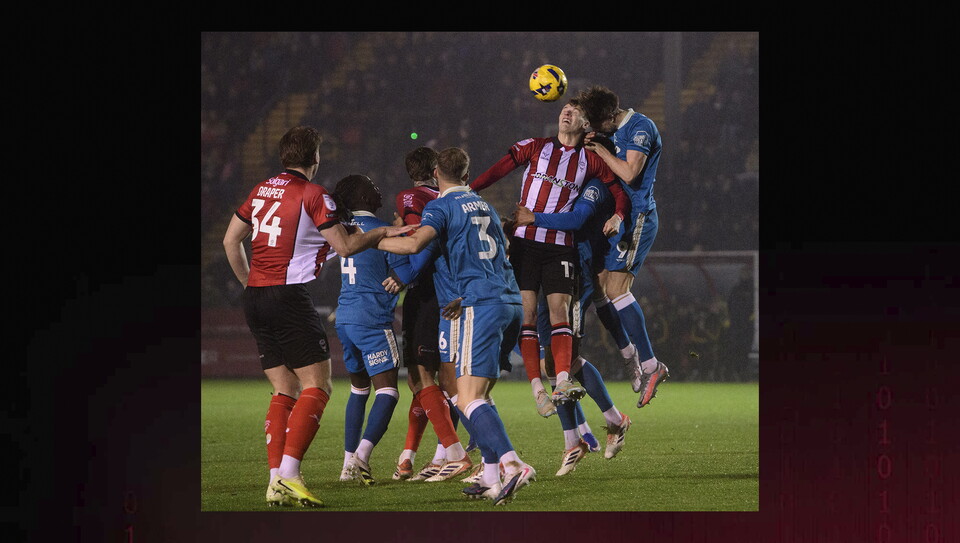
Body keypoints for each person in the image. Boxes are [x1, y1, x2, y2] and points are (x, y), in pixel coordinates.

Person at [221, 125, 411, 507]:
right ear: (315, 158)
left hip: (255, 296)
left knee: (284, 389)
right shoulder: (313, 194)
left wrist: (248, 283)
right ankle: (290, 475)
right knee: (318, 386)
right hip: (288, 296)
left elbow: (230, 240)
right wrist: (381, 233)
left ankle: (275, 480)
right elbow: (346, 245)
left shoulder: (260, 190)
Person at [378, 147, 535, 506]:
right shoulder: (485, 205)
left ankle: (513, 464)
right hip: (510, 301)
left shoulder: (441, 206)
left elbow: (415, 244)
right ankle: (491, 475)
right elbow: (503, 247)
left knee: (467, 397)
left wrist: (374, 239)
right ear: (466, 174)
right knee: (480, 394)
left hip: (481, 305)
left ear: (436, 173)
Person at [470, 99, 630, 415]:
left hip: (560, 246)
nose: (566, 112)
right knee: (527, 315)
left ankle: (562, 381)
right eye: (564, 109)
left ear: (586, 124)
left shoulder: (590, 160)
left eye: (575, 111)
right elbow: (499, 169)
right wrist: (468, 190)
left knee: (560, 312)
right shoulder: (535, 147)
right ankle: (537, 390)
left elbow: (619, 192)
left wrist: (619, 215)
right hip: (524, 245)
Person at [514, 177, 633, 471]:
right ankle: (582, 436)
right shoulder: (562, 181)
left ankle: (607, 424)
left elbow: (579, 219)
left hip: (575, 273)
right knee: (553, 362)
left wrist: (534, 218)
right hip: (549, 267)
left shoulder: (592, 183)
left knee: (564, 360)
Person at [577, 85, 670, 408]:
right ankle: (630, 354)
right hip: (621, 217)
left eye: (595, 123)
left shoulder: (641, 127)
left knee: (617, 289)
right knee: (600, 285)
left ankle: (651, 364)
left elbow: (630, 173)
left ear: (608, 116)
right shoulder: (612, 129)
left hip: (638, 218)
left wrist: (602, 151)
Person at [388, 146, 471, 483]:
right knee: (439, 382)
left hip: (428, 295)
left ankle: (459, 453)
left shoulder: (412, 198)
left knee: (423, 378)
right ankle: (418, 457)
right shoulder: (458, 199)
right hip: (454, 293)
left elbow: (420, 246)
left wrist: (402, 272)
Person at [331, 174, 405, 486]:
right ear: (362, 197)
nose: (378, 189)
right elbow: (405, 268)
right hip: (372, 319)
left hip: (345, 318)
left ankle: (347, 464)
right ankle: (361, 456)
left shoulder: (343, 229)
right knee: (388, 392)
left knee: (359, 391)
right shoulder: (380, 229)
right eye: (372, 187)